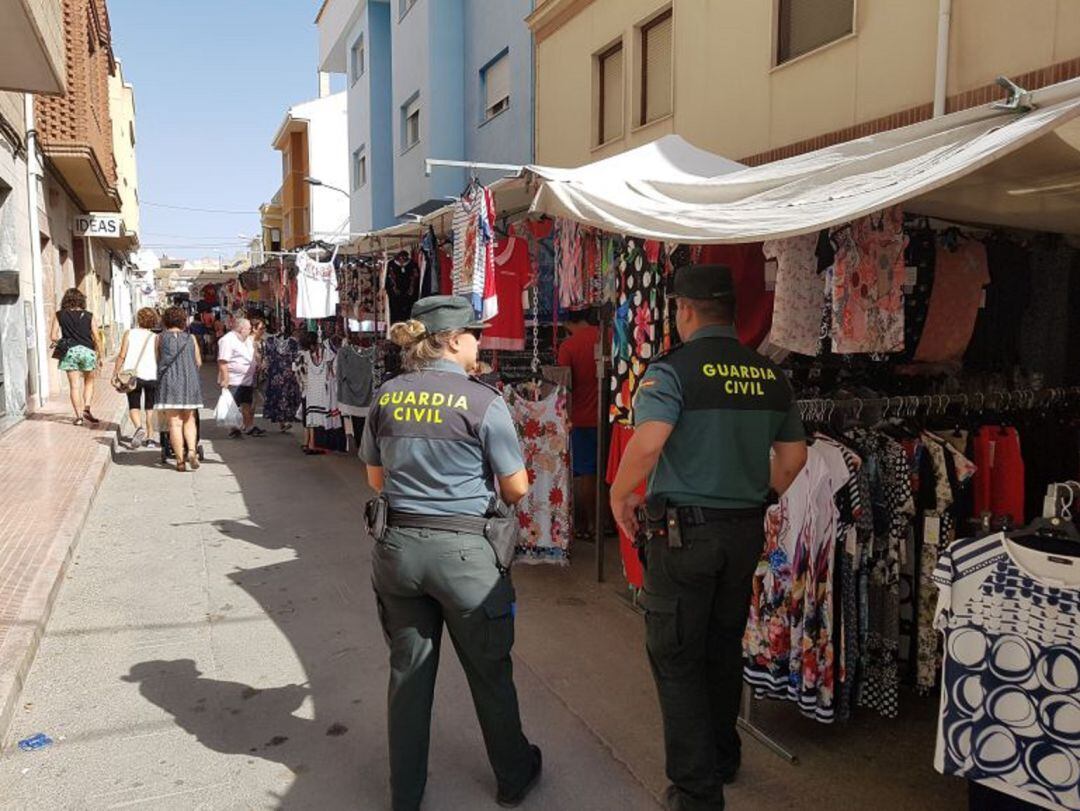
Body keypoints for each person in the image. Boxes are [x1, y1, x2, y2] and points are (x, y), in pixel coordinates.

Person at [609, 265, 807, 811]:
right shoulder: (771, 375)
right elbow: (794, 457)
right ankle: (724, 755)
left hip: (684, 537)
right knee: (722, 647)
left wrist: (619, 495)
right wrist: (757, 494)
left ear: (686, 311)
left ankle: (698, 792)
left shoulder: (671, 372)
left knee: (675, 654)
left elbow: (648, 443)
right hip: (744, 532)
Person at [360, 295, 542, 811]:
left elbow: (376, 478)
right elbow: (517, 488)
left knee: (408, 675)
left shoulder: (387, 396)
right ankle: (513, 776)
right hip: (465, 557)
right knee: (489, 672)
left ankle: (406, 797)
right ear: (453, 340)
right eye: (475, 334)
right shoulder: (484, 401)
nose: (480, 343)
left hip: (397, 551)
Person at [558, 310, 601, 540]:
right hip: (611, 417)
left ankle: (590, 525)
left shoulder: (569, 346)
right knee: (606, 471)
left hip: (581, 418)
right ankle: (605, 524)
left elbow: (563, 385)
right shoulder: (611, 336)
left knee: (586, 472)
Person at [154, 306, 204, 472]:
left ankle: (180, 461)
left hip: (168, 383)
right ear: (183, 321)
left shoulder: (160, 338)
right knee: (189, 419)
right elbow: (198, 362)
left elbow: (158, 360)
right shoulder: (191, 339)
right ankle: (191, 451)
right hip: (189, 382)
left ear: (165, 321)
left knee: (174, 423)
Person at [51, 287, 104, 426]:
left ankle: (79, 417)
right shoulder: (89, 315)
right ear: (81, 300)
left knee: (74, 386)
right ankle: (87, 407)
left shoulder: (59, 315)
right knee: (89, 382)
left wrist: (63, 341)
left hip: (70, 352)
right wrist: (100, 355)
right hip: (88, 351)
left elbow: (53, 336)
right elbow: (97, 337)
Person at [112, 307, 161, 448]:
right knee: (150, 407)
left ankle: (139, 428)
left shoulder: (129, 334)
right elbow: (158, 357)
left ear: (138, 319)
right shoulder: (156, 337)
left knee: (134, 404)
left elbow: (122, 355)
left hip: (132, 377)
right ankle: (150, 438)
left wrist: (115, 373)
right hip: (152, 375)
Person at [216, 317, 265, 438]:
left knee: (246, 404)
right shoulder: (227, 340)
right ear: (241, 329)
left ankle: (249, 426)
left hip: (246, 379)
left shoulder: (246, 340)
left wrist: (257, 364)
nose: (250, 331)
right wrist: (225, 378)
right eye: (249, 328)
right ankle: (233, 428)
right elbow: (223, 361)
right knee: (233, 405)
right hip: (233, 379)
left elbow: (252, 355)